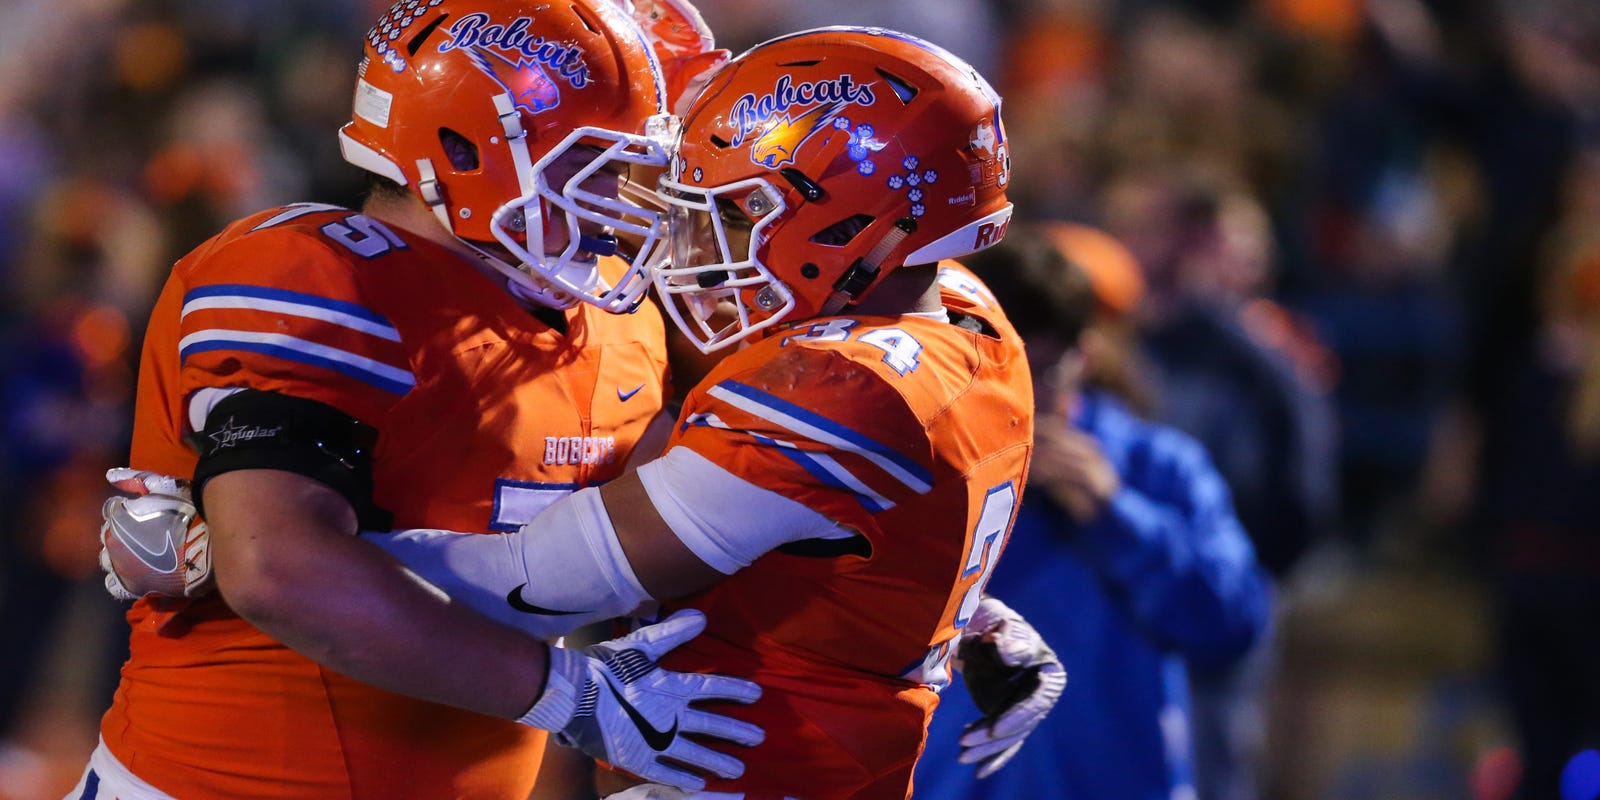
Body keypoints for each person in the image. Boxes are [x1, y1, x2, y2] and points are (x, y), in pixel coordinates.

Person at [306, 26, 1057, 799]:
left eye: (733, 213)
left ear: (857, 226)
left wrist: (272, 556)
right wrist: (951, 617)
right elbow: (852, 530)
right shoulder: (968, 316)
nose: (696, 241)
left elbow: (538, 583)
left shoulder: (839, 389)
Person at [75, 1, 769, 797]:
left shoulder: (617, 320)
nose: (627, 201)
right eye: (601, 168)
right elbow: (276, 567)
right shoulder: (318, 273)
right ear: (468, 146)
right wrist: (566, 692)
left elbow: (656, 551)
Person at [915, 222, 1273, 800]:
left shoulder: (1158, 468)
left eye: (1045, 376)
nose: (1022, 405)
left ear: (1084, 356)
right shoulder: (908, 473)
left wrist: (1117, 516)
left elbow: (1232, 629)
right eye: (1000, 378)